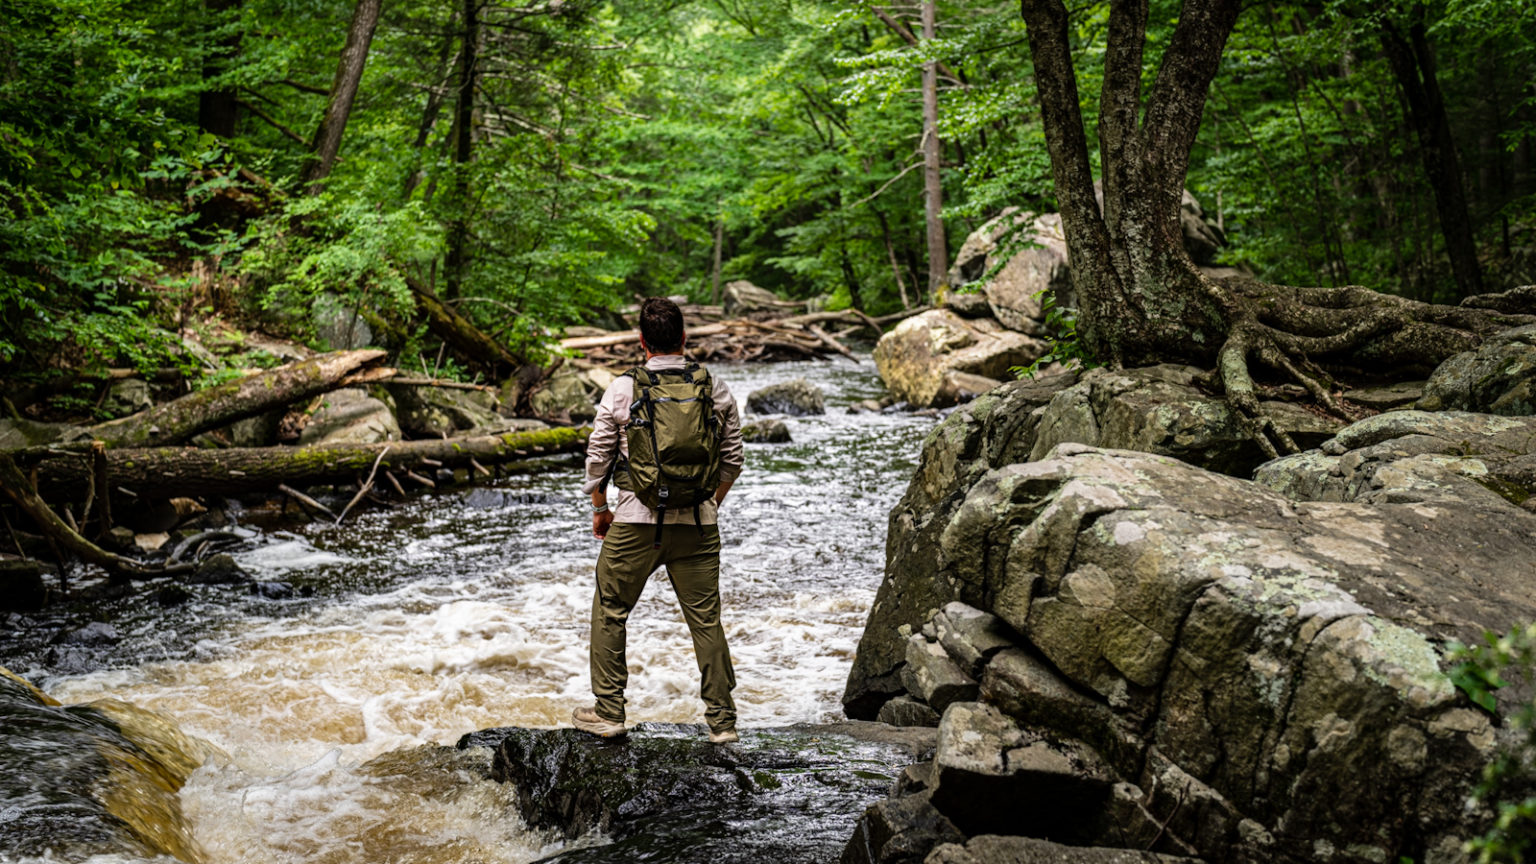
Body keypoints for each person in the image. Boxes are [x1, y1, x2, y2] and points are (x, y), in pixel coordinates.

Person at [575, 297, 744, 743]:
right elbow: (733, 461)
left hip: (634, 523)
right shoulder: (715, 387)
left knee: (611, 610)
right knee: (706, 621)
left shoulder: (623, 389)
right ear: (684, 338)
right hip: (698, 526)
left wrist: (600, 508)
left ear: (641, 343)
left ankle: (610, 713)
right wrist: (707, 503)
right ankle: (722, 724)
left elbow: (598, 461)